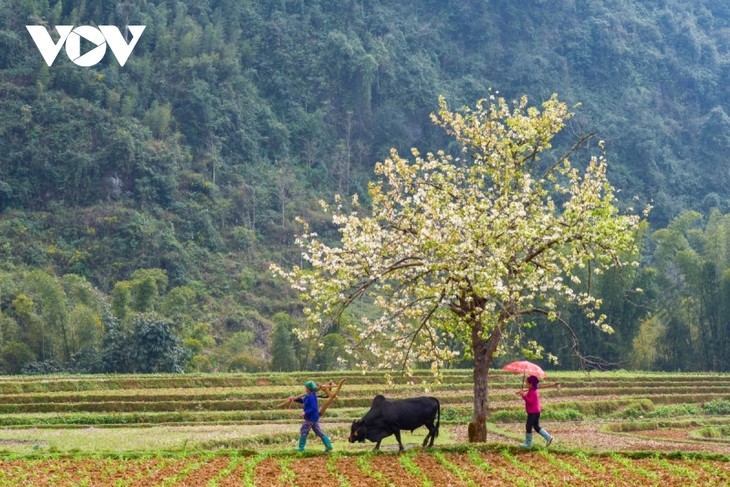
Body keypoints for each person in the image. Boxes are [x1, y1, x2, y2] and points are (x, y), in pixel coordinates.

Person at [289, 380, 333, 452]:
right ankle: (329, 446)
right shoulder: (308, 395)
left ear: (309, 388)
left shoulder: (312, 397)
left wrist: (305, 413)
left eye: (306, 387)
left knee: (304, 430)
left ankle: (301, 448)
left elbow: (314, 408)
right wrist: (294, 399)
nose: (305, 389)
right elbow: (303, 400)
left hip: (311, 418)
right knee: (318, 431)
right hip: (314, 418)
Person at [518, 375, 553, 447]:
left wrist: (524, 395)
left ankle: (528, 443)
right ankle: (548, 437)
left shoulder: (532, 392)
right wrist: (523, 394)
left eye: (527, 383)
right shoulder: (532, 390)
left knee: (528, 426)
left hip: (533, 412)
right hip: (535, 412)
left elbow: (530, 402)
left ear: (531, 384)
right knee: (536, 427)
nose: (526, 384)